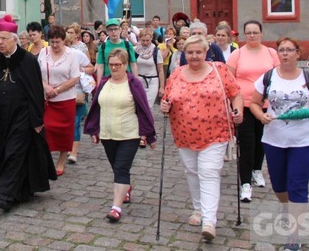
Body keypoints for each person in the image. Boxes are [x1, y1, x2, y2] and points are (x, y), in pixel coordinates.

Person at [250, 37, 309, 251]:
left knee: (297, 187)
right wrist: (261, 116)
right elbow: (253, 102)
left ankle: (294, 236)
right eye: (281, 50)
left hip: (303, 142)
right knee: (279, 186)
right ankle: (287, 209)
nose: (285, 53)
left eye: (290, 50)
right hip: (274, 140)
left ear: (298, 54)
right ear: (277, 54)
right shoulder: (268, 77)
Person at [0, 15, 56, 211]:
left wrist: (37, 119)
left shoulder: (28, 61)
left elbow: (35, 92)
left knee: (14, 153)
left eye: (4, 39)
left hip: (21, 117)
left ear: (15, 39)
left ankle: (6, 196)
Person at [161, 35, 243, 242]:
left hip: (215, 133)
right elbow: (167, 99)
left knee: (208, 172)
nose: (194, 56)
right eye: (190, 52)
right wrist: (164, 106)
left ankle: (209, 221)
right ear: (184, 54)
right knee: (192, 171)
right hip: (183, 133)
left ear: (206, 53)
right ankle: (198, 209)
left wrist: (238, 111)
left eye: (199, 52)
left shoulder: (219, 70)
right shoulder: (177, 74)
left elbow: (236, 94)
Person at [84, 49, 157, 223]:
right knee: (116, 167)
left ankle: (116, 208)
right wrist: (94, 130)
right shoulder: (103, 82)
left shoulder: (134, 83)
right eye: (111, 65)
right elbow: (95, 108)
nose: (114, 68)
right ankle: (126, 188)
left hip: (129, 134)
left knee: (121, 169)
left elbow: (144, 110)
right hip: (108, 134)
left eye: (118, 64)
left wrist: (149, 135)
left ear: (126, 65)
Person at [226, 20, 279, 203]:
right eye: (248, 32)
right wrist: (231, 104)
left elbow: (278, 75)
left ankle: (257, 169)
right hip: (245, 104)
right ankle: (245, 183)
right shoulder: (237, 54)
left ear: (261, 33)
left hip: (266, 105)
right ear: (244, 35)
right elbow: (229, 81)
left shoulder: (271, 53)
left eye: (255, 32)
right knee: (247, 143)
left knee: (262, 141)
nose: (252, 35)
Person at [38, 25, 81, 175]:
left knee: (64, 132)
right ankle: (45, 160)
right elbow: (37, 73)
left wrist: (57, 90)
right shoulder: (43, 53)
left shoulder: (71, 55)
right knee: (46, 129)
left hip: (65, 99)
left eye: (58, 42)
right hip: (47, 99)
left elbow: (75, 78)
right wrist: (46, 87)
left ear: (64, 41)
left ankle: (61, 162)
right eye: (52, 42)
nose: (55, 45)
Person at [64, 23, 95, 165]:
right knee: (66, 121)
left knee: (76, 121)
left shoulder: (80, 48)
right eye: (67, 32)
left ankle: (74, 150)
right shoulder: (60, 50)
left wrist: (80, 69)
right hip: (63, 90)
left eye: (71, 32)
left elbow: (90, 67)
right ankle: (67, 146)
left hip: (78, 89)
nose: (69, 34)